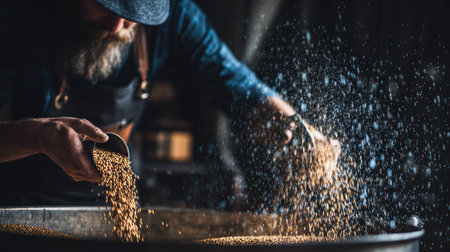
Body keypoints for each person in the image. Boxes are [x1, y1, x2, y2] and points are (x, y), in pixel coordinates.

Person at [0, 0, 306, 206]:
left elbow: (236, 84)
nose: (118, 26)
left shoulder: (176, 17)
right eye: (104, 5)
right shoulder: (20, 16)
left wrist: (291, 124)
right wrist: (36, 136)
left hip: (116, 208)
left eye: (135, 13)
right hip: (24, 214)